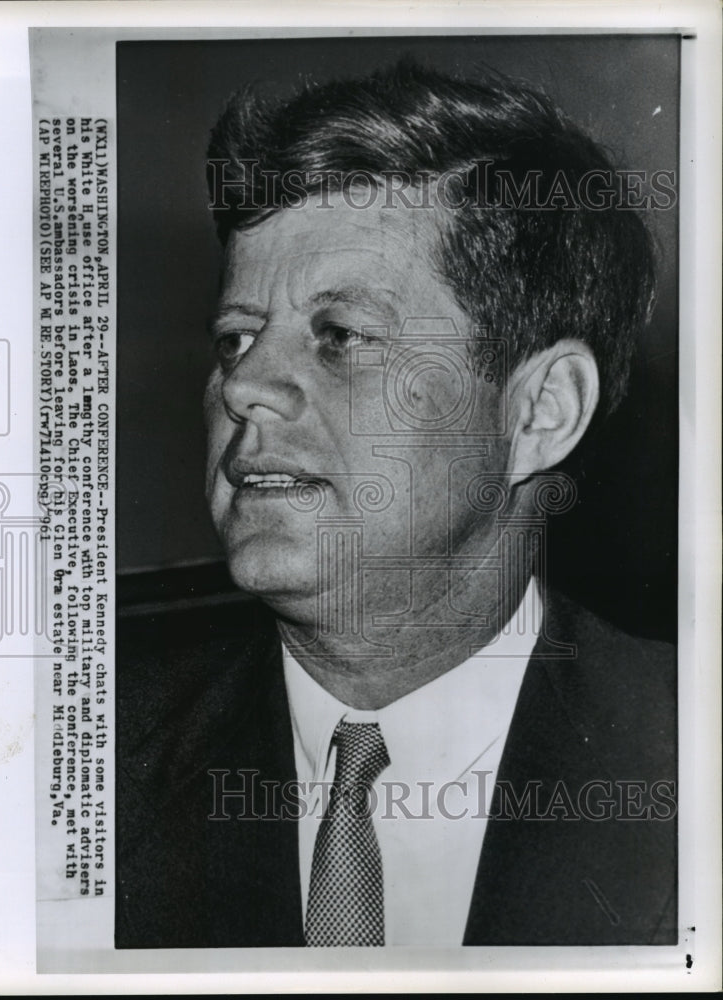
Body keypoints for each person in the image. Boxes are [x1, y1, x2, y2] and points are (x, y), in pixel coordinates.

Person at [116, 61, 676, 948]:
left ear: (539, 412)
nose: (246, 386)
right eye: (234, 337)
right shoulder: (74, 761)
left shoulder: (686, 760)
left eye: (341, 336)